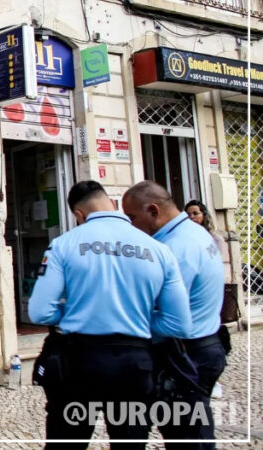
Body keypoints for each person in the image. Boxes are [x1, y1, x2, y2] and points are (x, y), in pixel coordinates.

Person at [29, 180, 192, 449]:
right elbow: (180, 324)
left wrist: (78, 312)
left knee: (66, 442)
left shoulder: (63, 245)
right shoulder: (159, 250)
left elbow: (39, 312)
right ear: (113, 204)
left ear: (79, 215)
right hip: (134, 362)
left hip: (79, 359)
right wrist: (137, 317)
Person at [123, 182, 227, 449]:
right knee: (194, 433)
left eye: (132, 217)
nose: (131, 225)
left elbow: (162, 311)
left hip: (186, 354)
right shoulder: (193, 232)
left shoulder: (176, 248)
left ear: (153, 210)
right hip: (203, 345)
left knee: (186, 437)